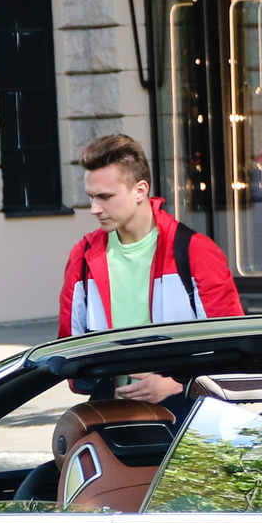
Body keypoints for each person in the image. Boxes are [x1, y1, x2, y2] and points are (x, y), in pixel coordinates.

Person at [56, 132, 242, 403]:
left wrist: (177, 384)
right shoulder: (83, 256)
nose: (94, 208)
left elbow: (232, 346)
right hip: (111, 408)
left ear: (140, 190)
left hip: (186, 411)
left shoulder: (194, 251)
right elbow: (68, 350)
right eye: (91, 197)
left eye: (105, 197)